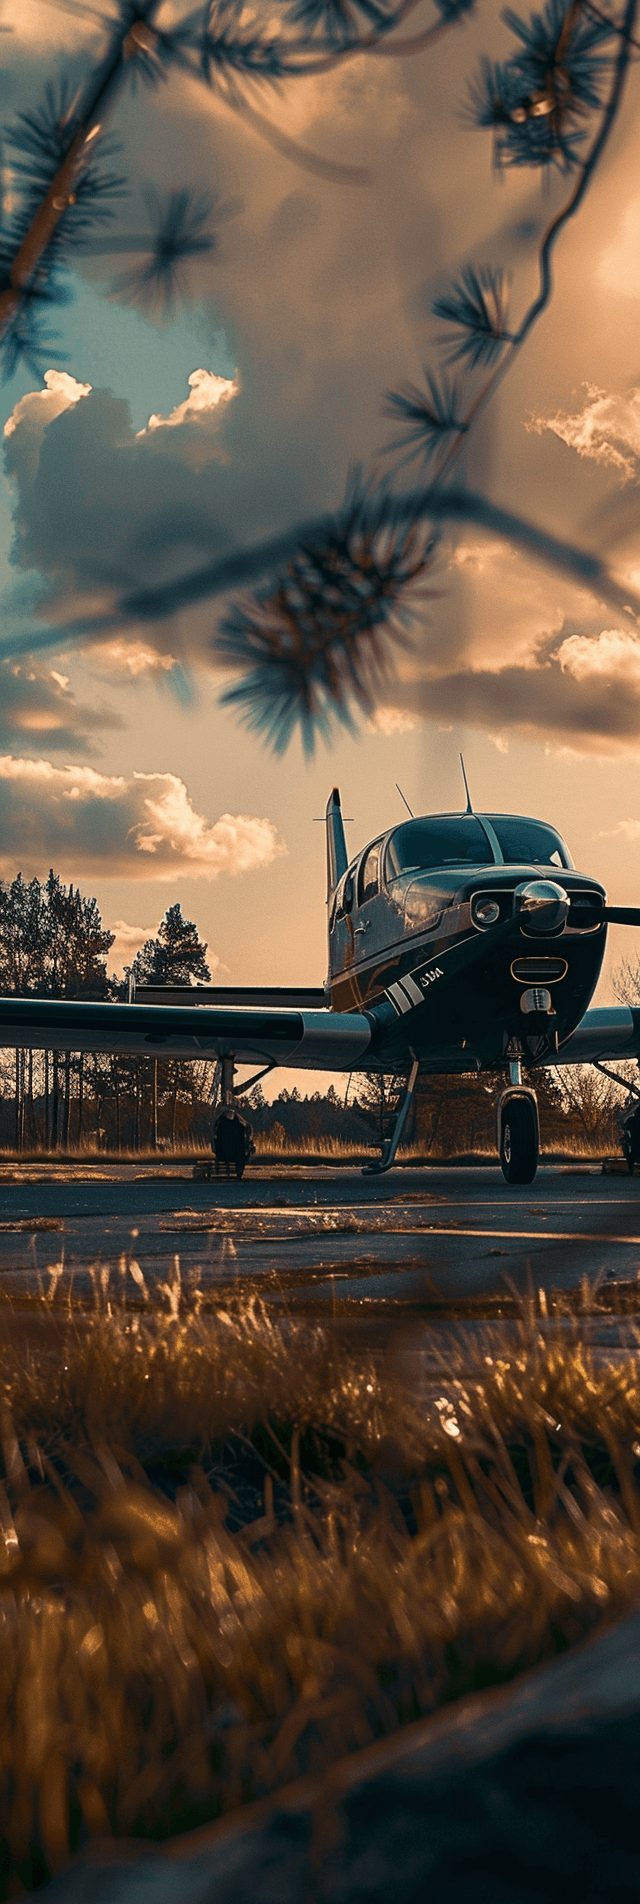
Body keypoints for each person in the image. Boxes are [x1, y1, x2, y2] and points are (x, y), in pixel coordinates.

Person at [213, 1105, 253, 1179]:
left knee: (240, 1156)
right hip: (232, 1153)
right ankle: (238, 1174)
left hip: (229, 1153)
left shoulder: (221, 1123)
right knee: (241, 1157)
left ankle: (237, 1174)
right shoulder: (239, 1125)